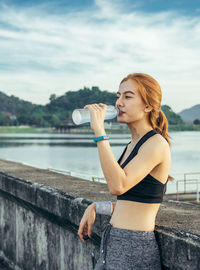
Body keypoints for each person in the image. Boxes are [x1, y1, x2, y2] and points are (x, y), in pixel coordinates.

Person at [78, 73, 173, 270]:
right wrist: (96, 206)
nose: (119, 103)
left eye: (128, 97)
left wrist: (100, 133)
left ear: (147, 106)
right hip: (113, 242)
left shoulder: (156, 144)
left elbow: (118, 186)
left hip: (134, 248)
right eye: (118, 96)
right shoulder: (132, 145)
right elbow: (132, 202)